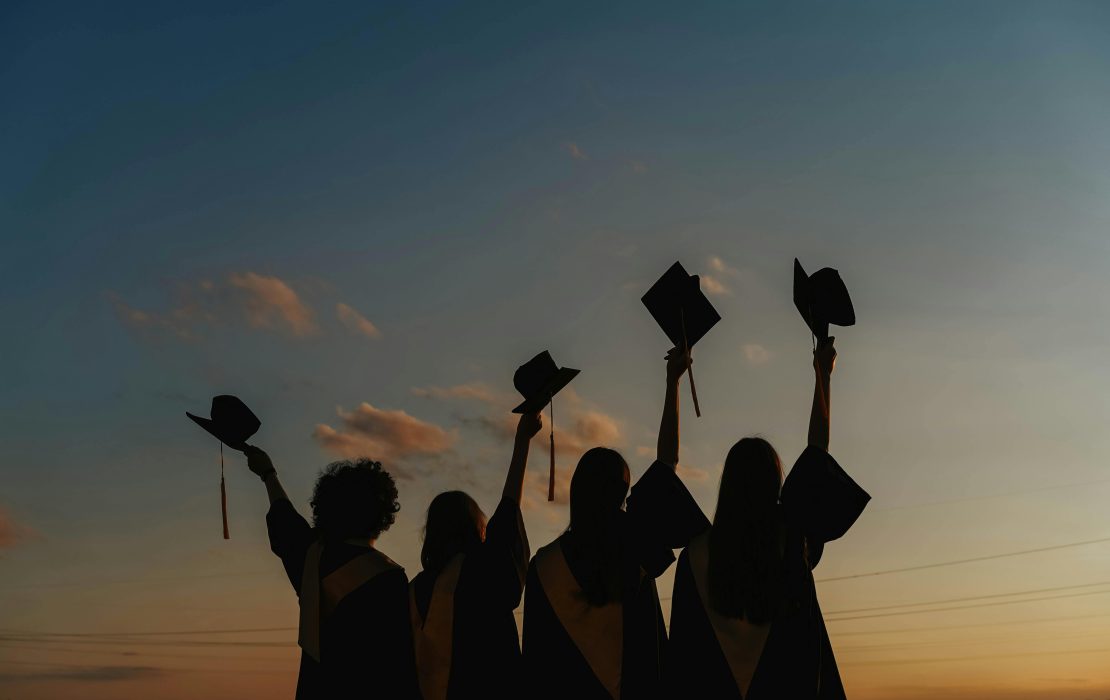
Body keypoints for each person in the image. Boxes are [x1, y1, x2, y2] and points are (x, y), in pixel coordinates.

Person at [666, 338, 871, 698]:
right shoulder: (791, 542)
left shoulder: (694, 557)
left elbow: (682, 659)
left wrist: (672, 383)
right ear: (775, 485)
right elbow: (816, 459)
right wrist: (823, 375)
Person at [521, 346, 710, 699]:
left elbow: (534, 665)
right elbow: (667, 464)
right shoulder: (634, 542)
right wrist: (673, 383)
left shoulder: (543, 567)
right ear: (623, 494)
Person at [243, 446, 420, 699]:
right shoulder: (389, 579)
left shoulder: (311, 558)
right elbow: (399, 665)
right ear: (382, 513)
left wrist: (268, 473)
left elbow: (285, 521)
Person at [409, 411, 542, 699]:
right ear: (475, 528)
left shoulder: (414, 590)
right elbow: (508, 512)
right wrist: (522, 442)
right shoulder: (482, 570)